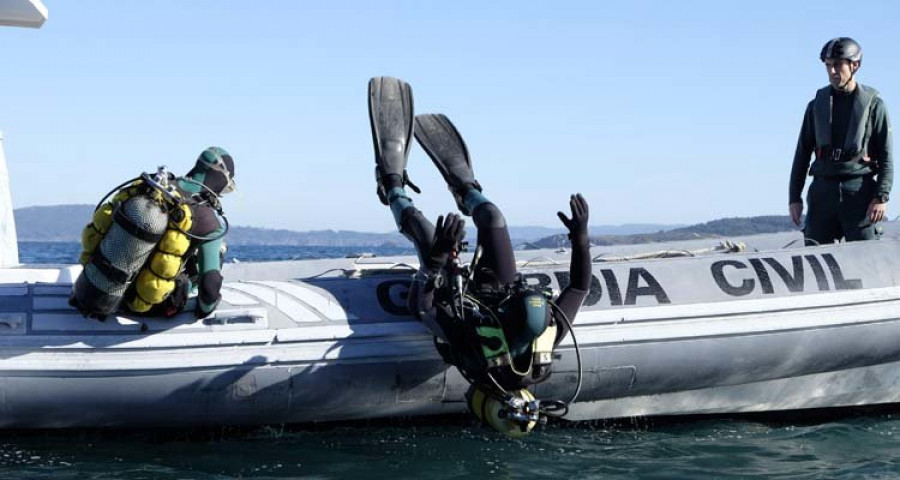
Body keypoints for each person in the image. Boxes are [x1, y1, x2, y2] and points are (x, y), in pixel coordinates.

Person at [368, 77, 592, 435]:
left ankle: (392, 187)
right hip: (496, 284)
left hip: (454, 295)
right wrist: (580, 238)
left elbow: (424, 309)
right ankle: (467, 189)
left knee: (424, 230)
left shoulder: (476, 354)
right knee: (493, 217)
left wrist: (439, 259)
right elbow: (579, 287)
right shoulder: (543, 344)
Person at [72, 147, 235, 320]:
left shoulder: (153, 188)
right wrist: (205, 309)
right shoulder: (208, 220)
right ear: (220, 180)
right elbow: (210, 289)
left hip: (93, 285)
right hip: (144, 306)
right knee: (218, 252)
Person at [789, 37, 893, 245]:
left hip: (859, 193)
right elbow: (802, 154)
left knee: (867, 258)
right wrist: (794, 197)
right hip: (822, 193)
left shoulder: (874, 106)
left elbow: (886, 155)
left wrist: (881, 196)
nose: (832, 72)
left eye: (838, 65)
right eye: (828, 66)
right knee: (815, 258)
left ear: (855, 65)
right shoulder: (815, 107)